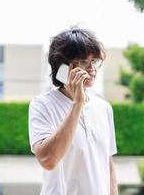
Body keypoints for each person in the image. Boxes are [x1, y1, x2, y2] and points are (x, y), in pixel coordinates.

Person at [28, 26, 118, 195]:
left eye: (95, 61)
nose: (92, 68)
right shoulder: (42, 105)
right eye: (84, 61)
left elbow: (109, 168)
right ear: (62, 68)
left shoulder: (104, 108)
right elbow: (48, 160)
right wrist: (77, 103)